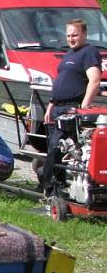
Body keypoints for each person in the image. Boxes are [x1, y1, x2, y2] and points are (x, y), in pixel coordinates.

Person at [40, 18, 102, 196]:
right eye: (68, 35)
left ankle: (53, 190)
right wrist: (51, 105)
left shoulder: (89, 52)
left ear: (84, 34)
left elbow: (94, 80)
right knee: (53, 150)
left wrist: (84, 108)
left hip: (71, 109)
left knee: (61, 150)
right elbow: (62, 82)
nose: (71, 38)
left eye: (75, 35)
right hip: (57, 107)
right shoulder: (68, 54)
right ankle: (51, 187)